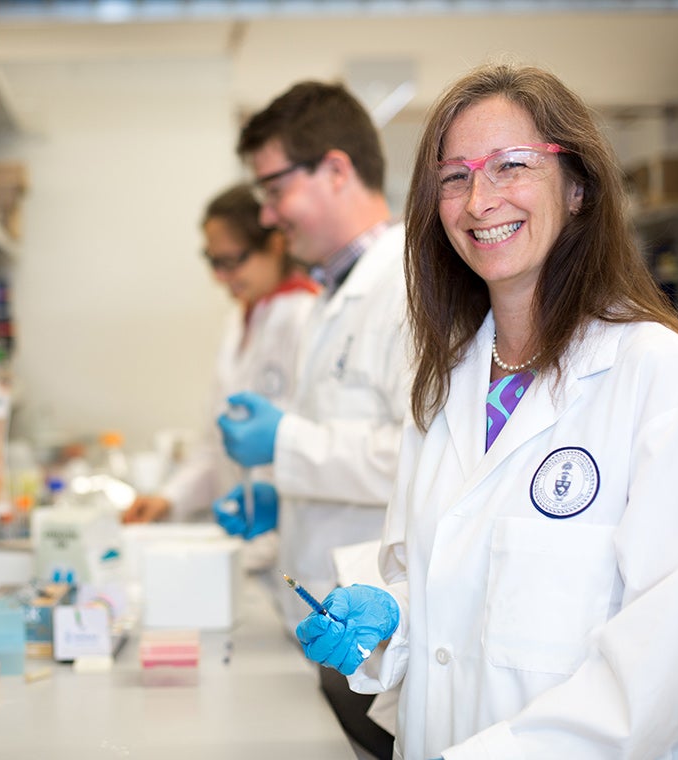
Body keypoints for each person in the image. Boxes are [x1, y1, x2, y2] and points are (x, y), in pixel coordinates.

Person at [295, 62, 678, 759]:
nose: (479, 200)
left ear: (577, 188)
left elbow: (667, 659)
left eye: (511, 166)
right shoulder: (444, 385)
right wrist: (389, 621)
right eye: (454, 176)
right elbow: (443, 599)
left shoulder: (658, 378)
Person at [213, 81, 413, 759]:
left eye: (274, 189)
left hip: (382, 629)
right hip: (332, 626)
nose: (267, 216)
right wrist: (284, 496)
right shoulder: (334, 293)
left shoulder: (411, 288)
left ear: (335, 169)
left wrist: (287, 445)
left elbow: (423, 457)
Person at [122, 183, 318, 545]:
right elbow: (216, 442)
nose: (221, 277)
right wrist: (168, 498)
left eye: (232, 261)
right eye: (214, 262)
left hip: (292, 536)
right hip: (246, 538)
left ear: (275, 245)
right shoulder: (239, 319)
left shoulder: (307, 316)